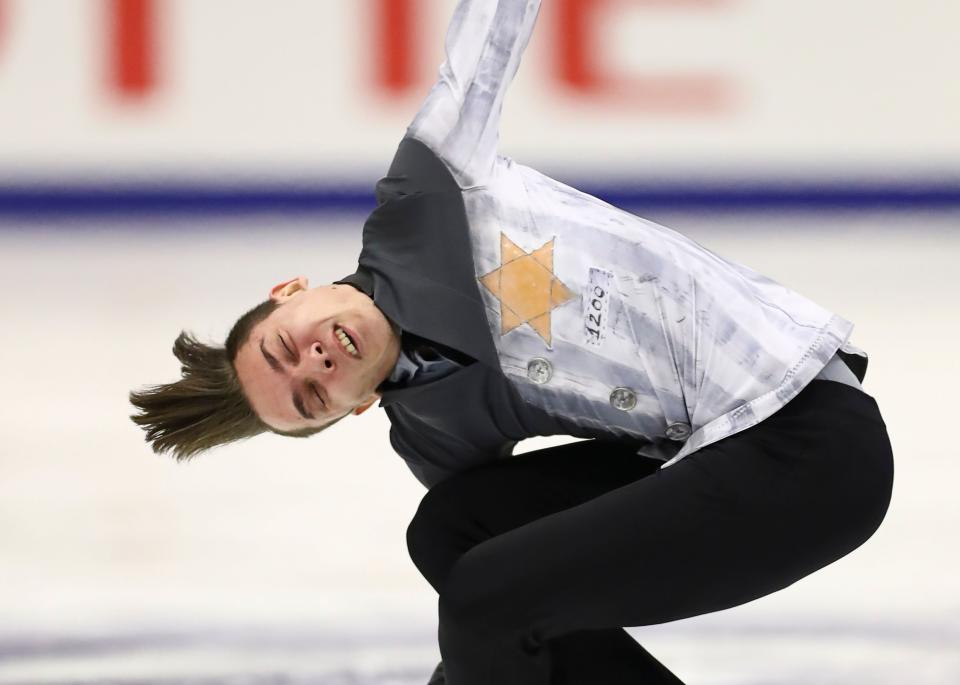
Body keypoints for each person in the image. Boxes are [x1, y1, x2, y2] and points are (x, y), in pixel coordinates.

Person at [129, 1, 895, 682]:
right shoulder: (432, 431)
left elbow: (493, 24)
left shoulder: (432, 190)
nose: (315, 365)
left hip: (807, 440)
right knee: (452, 536)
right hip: (716, 457)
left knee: (484, 598)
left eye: (282, 350)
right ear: (352, 411)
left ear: (289, 290)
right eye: (309, 399)